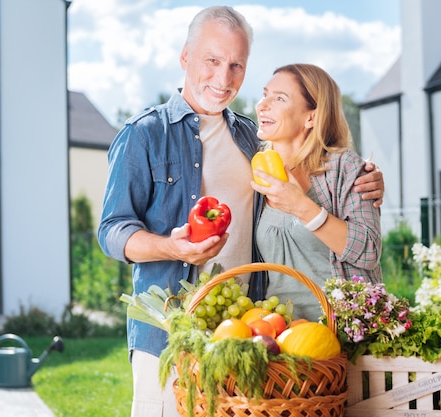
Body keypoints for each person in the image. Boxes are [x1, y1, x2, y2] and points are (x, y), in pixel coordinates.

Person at [97, 7, 384, 417]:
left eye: (236, 65)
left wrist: (367, 180)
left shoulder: (252, 136)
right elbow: (112, 231)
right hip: (169, 334)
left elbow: (312, 163)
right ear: (185, 57)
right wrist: (171, 247)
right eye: (212, 61)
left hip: (248, 334)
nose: (224, 77)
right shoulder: (144, 134)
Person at [250, 63, 382, 323]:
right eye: (265, 94)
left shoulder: (344, 168)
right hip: (279, 335)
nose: (262, 105)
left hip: (342, 333)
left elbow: (369, 250)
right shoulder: (255, 169)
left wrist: (301, 206)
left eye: (279, 98)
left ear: (311, 117)